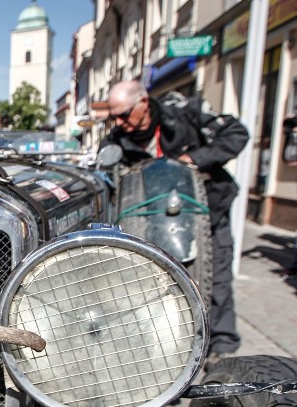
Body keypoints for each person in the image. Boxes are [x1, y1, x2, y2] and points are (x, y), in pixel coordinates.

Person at [102, 80, 249, 357]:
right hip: (149, 224)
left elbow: (235, 133)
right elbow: (105, 172)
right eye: (114, 117)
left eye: (124, 114)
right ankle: (161, 352)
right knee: (151, 287)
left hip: (205, 214)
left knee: (215, 278)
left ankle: (221, 350)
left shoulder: (184, 111)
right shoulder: (118, 139)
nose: (119, 122)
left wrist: (193, 159)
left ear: (143, 102)